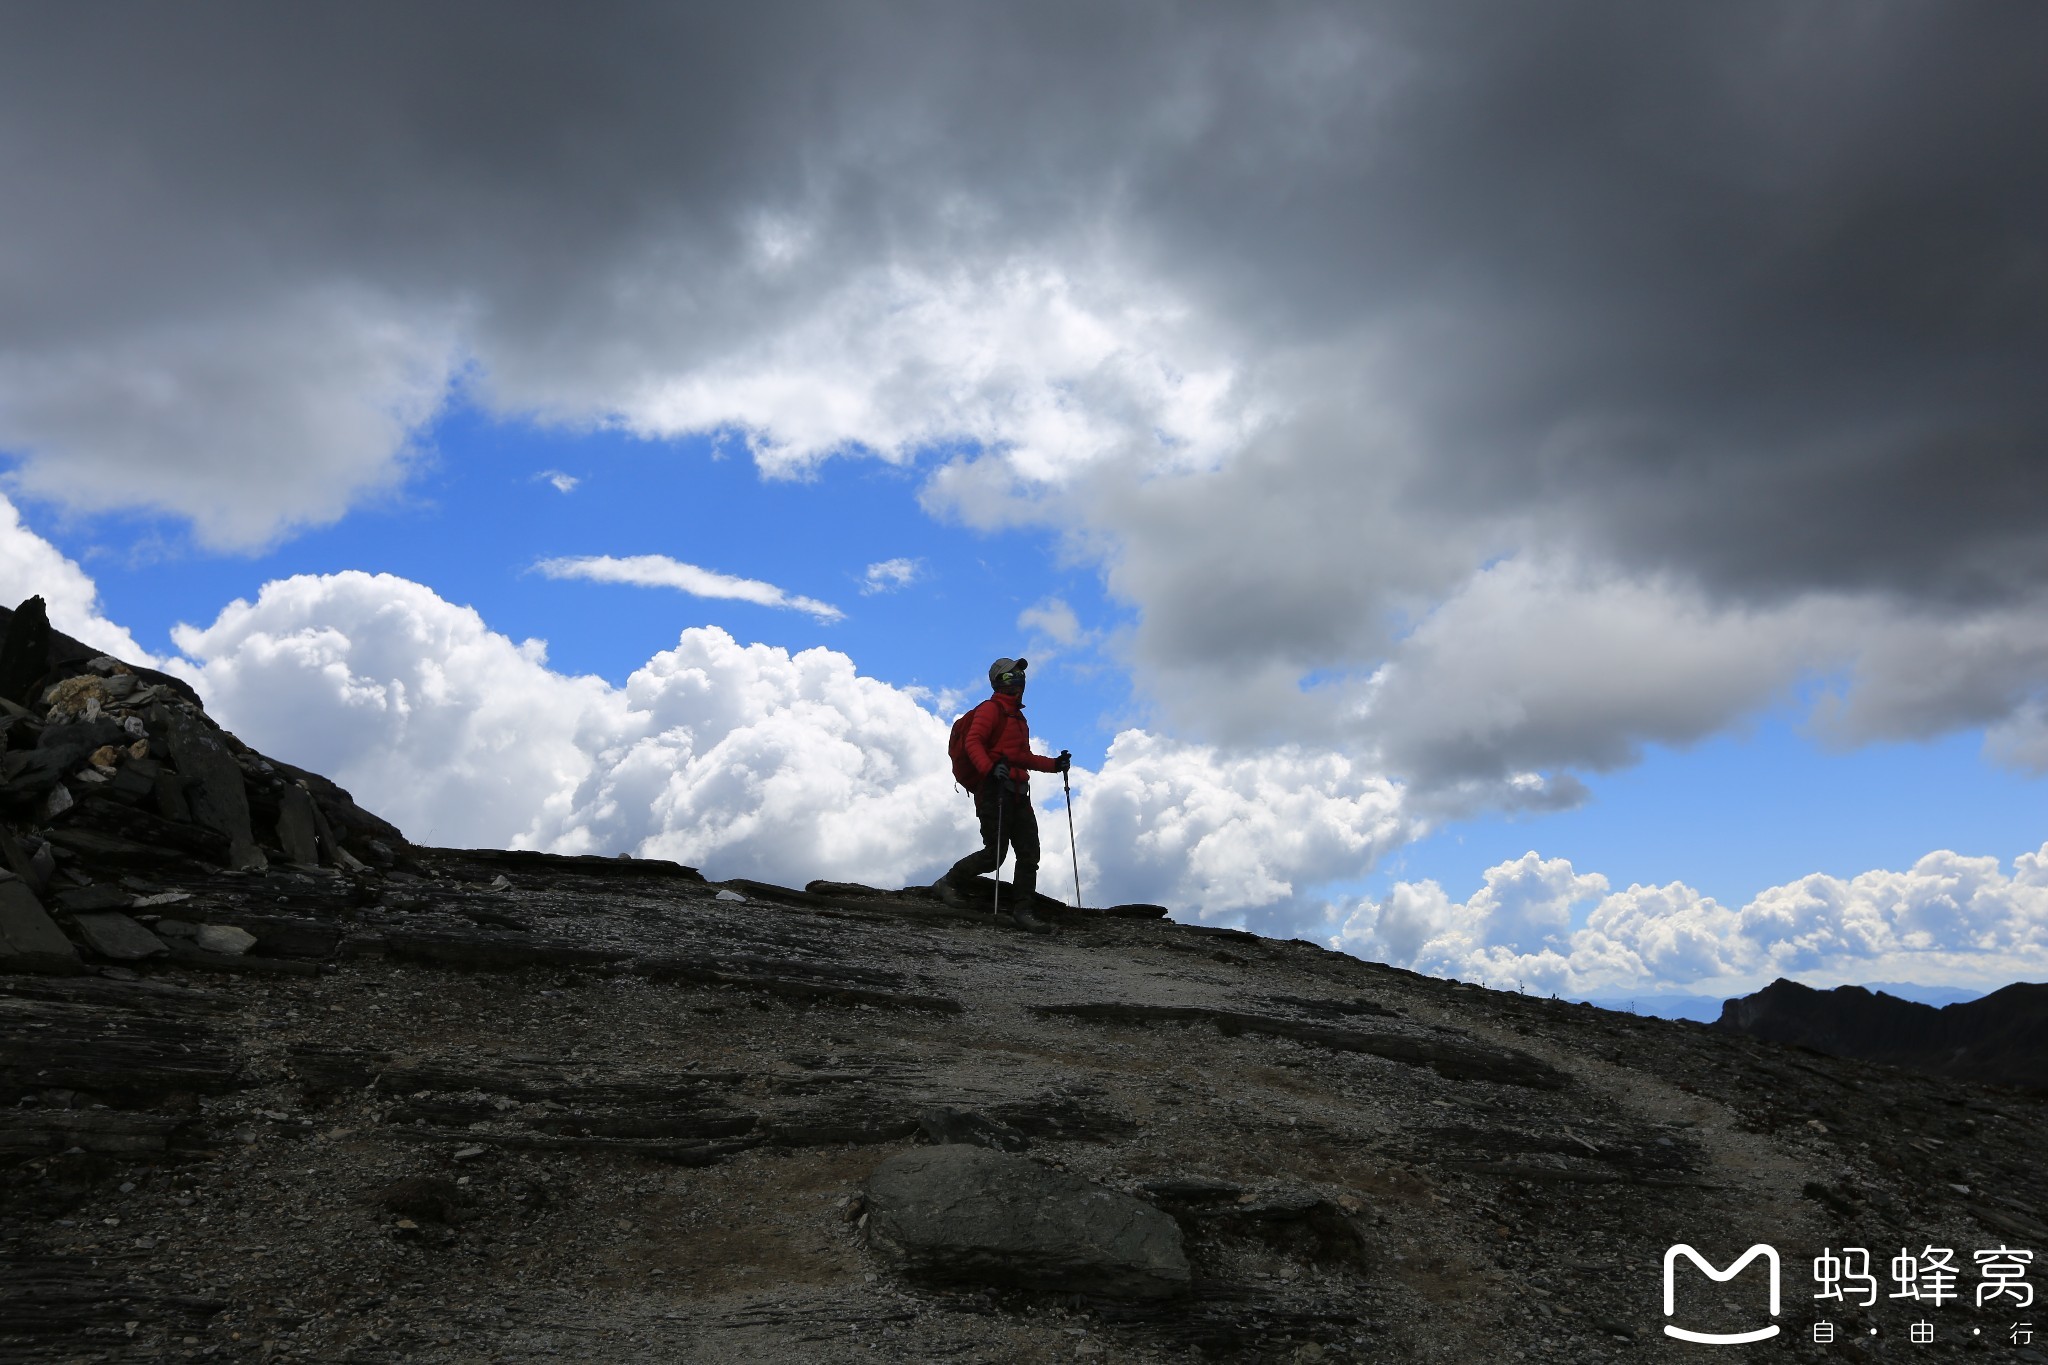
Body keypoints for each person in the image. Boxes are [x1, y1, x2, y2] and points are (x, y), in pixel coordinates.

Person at [932, 657, 1070, 932]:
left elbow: (1023, 757)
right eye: (1010, 675)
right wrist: (990, 769)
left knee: (1029, 854)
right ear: (997, 682)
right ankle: (948, 883)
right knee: (995, 854)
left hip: (1017, 792)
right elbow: (973, 741)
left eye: (1019, 674)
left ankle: (1023, 911)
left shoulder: (1018, 718)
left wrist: (1054, 765)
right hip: (994, 790)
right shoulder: (990, 709)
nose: (1018, 679)